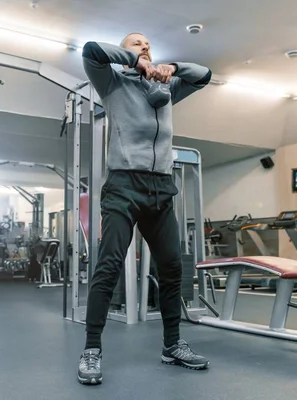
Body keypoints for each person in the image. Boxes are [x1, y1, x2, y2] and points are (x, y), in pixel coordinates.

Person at [77, 32, 212, 385]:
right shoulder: (112, 82)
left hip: (161, 189)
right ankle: (92, 350)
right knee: (108, 265)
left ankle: (172, 345)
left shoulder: (165, 90)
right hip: (124, 186)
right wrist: (133, 60)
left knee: (171, 268)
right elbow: (91, 51)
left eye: (149, 44)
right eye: (138, 43)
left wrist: (172, 68)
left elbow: (205, 74)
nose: (146, 46)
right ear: (126, 50)